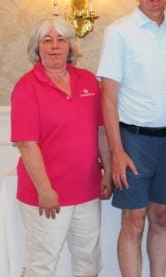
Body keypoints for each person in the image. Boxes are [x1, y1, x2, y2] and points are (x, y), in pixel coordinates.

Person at [97, 0, 166, 277]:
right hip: (133, 141)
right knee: (133, 221)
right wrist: (117, 150)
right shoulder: (119, 32)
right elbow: (107, 97)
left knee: (162, 218)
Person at [10, 18, 112, 276]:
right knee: (42, 264)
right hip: (47, 194)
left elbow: (101, 130)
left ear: (70, 47)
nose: (54, 46)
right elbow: (26, 143)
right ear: (37, 48)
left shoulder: (89, 81)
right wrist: (45, 189)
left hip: (87, 191)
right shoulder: (26, 87)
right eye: (47, 40)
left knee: (88, 261)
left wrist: (108, 172)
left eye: (61, 40)